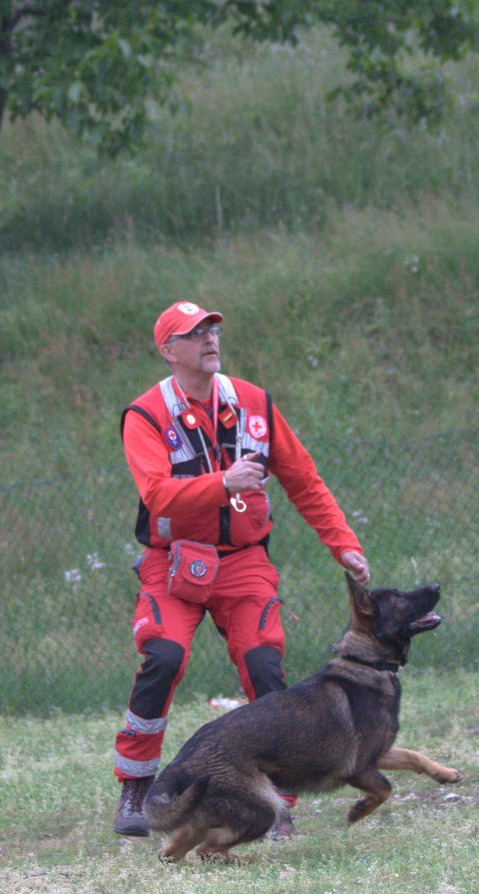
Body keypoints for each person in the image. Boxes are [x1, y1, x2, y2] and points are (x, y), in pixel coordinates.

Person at [113, 299, 370, 837]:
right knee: (162, 656)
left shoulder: (253, 402)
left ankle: (277, 803)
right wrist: (222, 484)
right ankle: (136, 788)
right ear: (168, 351)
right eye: (193, 332)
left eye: (212, 329)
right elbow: (157, 495)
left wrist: (341, 543)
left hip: (243, 562)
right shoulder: (145, 415)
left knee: (265, 668)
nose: (209, 338)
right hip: (174, 564)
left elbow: (303, 479)